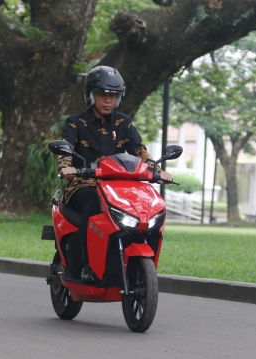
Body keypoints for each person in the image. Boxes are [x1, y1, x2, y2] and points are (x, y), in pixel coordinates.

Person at [58, 65, 173, 282]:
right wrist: (66, 167)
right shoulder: (75, 122)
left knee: (146, 203)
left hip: (118, 187)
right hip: (85, 184)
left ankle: (136, 263)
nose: (108, 100)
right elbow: (66, 147)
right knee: (93, 202)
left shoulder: (124, 123)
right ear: (91, 95)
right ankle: (87, 265)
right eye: (102, 94)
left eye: (113, 95)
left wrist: (157, 170)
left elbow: (140, 151)